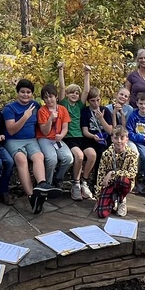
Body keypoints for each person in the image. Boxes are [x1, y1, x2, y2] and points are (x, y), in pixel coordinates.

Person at [3, 78, 51, 213]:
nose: (25, 95)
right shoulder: (10, 108)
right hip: (13, 140)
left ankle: (42, 185)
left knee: (39, 156)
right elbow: (11, 130)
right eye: (22, 92)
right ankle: (32, 196)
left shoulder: (36, 105)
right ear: (17, 93)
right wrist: (24, 116)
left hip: (31, 140)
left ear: (32, 94)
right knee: (21, 159)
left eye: (28, 92)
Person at [58, 62, 96, 200]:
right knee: (79, 156)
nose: (74, 94)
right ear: (67, 94)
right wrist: (61, 69)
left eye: (76, 93)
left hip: (81, 136)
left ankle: (84, 181)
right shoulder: (63, 104)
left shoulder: (80, 105)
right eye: (71, 92)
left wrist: (87, 73)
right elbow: (62, 87)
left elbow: (86, 91)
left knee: (92, 155)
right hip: (69, 137)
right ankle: (76, 183)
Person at [36, 83, 74, 191]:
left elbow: (65, 127)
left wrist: (61, 135)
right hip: (44, 138)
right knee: (52, 159)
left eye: (51, 96)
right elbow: (44, 131)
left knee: (68, 158)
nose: (49, 100)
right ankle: (48, 183)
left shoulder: (62, 109)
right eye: (46, 97)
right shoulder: (42, 111)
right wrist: (50, 119)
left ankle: (58, 178)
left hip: (57, 139)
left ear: (56, 96)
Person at [94, 126, 139, 218]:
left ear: (127, 139)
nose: (119, 141)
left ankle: (122, 200)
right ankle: (112, 198)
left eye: (122, 138)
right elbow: (100, 175)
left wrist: (113, 173)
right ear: (112, 139)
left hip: (123, 182)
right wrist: (98, 197)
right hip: (110, 183)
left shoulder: (132, 154)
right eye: (116, 138)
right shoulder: (106, 154)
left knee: (123, 180)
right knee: (102, 214)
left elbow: (132, 173)